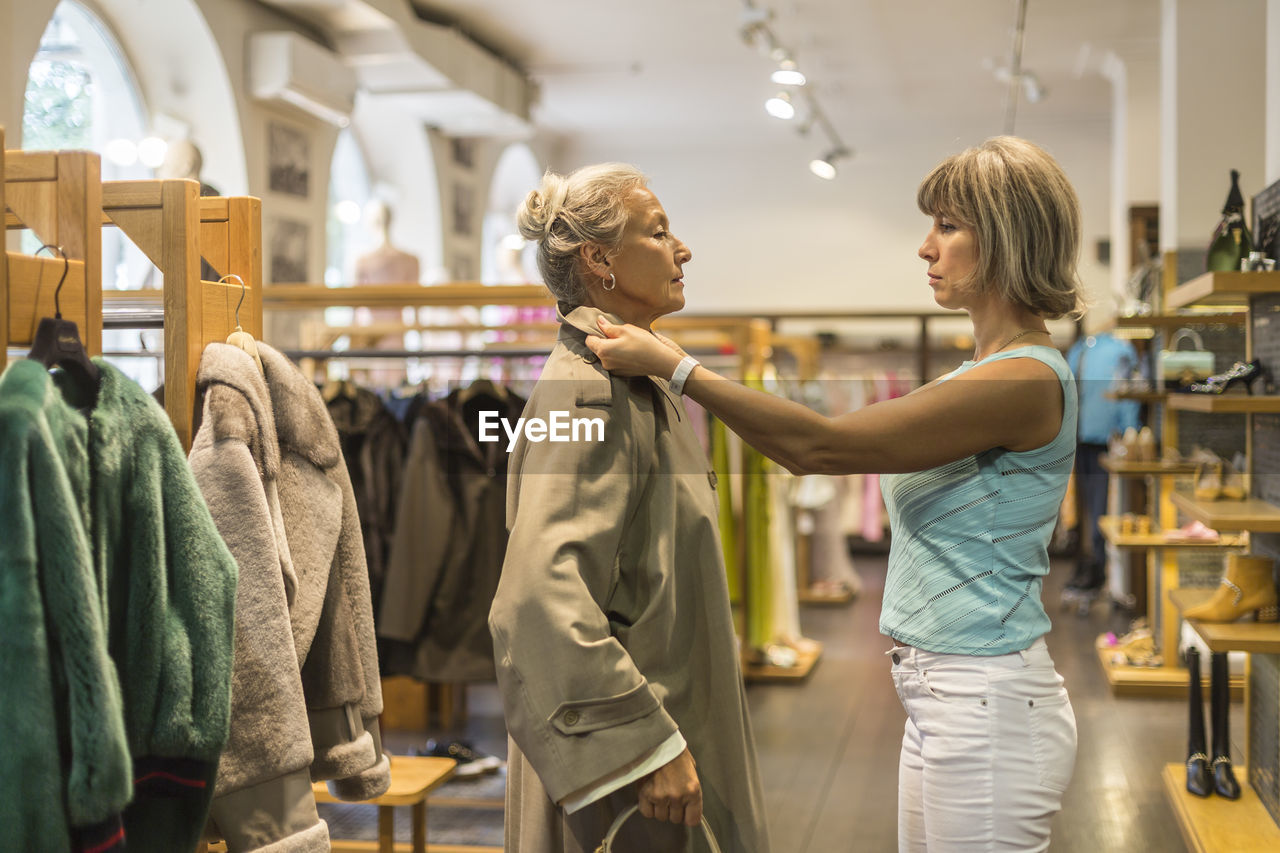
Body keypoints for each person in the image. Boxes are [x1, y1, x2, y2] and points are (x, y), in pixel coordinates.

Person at [586, 136, 1085, 851]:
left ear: (1005, 238)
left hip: (986, 702)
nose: (925, 247)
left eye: (947, 225)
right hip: (947, 697)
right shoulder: (980, 373)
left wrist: (677, 367)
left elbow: (819, 446)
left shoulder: (1024, 378)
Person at [488, 163, 770, 852]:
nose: (683, 249)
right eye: (659, 231)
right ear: (599, 260)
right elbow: (537, 599)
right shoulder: (589, 394)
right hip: (638, 779)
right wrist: (646, 746)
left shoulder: (632, 378)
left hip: (665, 741)